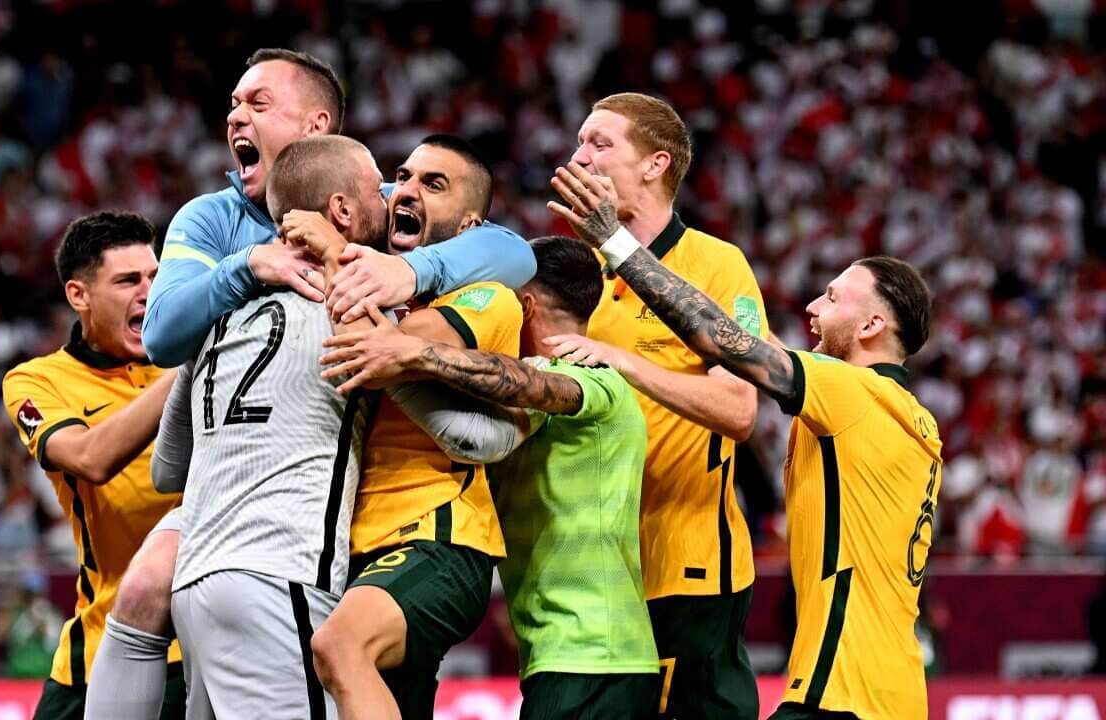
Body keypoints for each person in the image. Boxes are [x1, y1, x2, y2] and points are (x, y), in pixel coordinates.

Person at [88, 49, 535, 720]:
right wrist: (250, 265)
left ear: (316, 122)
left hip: (345, 521)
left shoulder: (375, 209)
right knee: (148, 581)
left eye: (258, 104)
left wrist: (407, 275)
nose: (236, 114)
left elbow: (510, 250)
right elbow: (163, 336)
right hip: (276, 516)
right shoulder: (214, 220)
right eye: (234, 104)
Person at [551, 165, 943, 719]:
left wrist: (616, 247)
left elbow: (730, 342)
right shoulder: (909, 417)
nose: (812, 307)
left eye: (832, 298)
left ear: (871, 325)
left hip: (842, 694)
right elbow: (748, 335)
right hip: (889, 688)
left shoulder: (855, 394)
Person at [320, 236, 659, 719]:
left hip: (595, 652)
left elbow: (484, 428)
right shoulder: (528, 411)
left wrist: (406, 354)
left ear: (524, 305)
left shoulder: (597, 380)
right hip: (565, 654)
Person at [543, 92, 767, 718]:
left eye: (599, 143)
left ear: (655, 164)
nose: (578, 156)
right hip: (589, 571)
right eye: (579, 140)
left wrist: (628, 363)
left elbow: (740, 409)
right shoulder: (573, 271)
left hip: (688, 563)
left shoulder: (717, 265)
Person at [309, 136, 523, 720]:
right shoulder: (383, 287)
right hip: (355, 545)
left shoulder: (487, 295)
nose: (406, 189)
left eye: (434, 184)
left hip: (439, 536)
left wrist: (334, 255)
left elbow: (400, 348)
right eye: (402, 176)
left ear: (470, 224)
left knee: (340, 646)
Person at [1, 211, 183, 719]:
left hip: (198, 646)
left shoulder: (180, 359)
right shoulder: (37, 381)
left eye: (155, 277)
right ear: (79, 295)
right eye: (127, 281)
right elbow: (89, 459)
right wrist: (191, 369)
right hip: (99, 647)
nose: (148, 292)